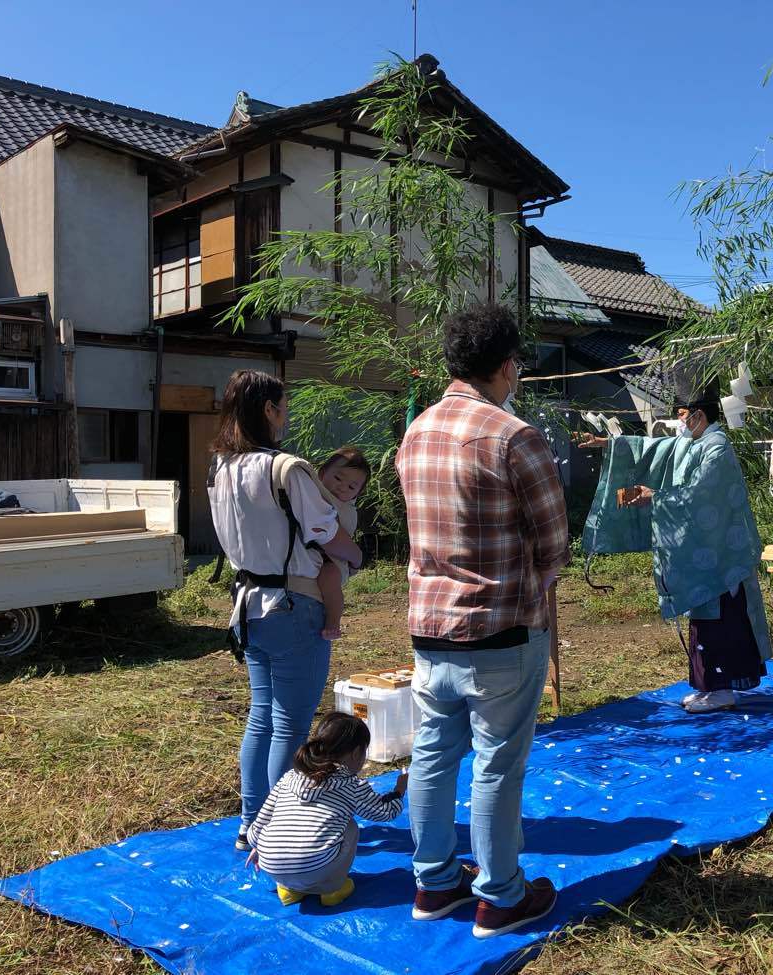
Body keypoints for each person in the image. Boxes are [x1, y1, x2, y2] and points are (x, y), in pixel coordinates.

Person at [397, 301, 569, 939]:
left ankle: (435, 883)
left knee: (434, 757)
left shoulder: (414, 432)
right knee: (497, 764)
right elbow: (554, 544)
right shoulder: (513, 435)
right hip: (500, 630)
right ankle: (499, 897)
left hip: (429, 630)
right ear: (505, 366)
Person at [207, 370, 363, 852]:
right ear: (270, 411)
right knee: (290, 727)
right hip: (296, 605)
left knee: (261, 718)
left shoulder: (220, 467)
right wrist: (355, 555)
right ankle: (276, 827)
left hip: (250, 607)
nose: (287, 414)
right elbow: (324, 530)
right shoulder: (287, 468)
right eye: (284, 405)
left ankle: (250, 822)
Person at [579, 380, 771, 713]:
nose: (679, 422)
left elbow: (702, 492)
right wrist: (609, 445)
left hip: (721, 550)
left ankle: (722, 688)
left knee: (721, 619)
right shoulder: (690, 442)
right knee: (702, 617)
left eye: (682, 415)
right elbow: (651, 448)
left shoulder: (717, 446)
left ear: (697, 415)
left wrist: (659, 497)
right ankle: (706, 685)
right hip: (697, 549)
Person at [245, 711, 407, 907]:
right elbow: (386, 812)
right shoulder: (351, 785)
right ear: (356, 753)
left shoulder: (290, 777)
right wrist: (399, 790)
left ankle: (290, 890)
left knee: (286, 822)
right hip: (314, 868)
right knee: (350, 827)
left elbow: (262, 819)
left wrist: (260, 845)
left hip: (271, 866)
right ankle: (332, 889)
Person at [314, 447, 371, 640]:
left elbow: (330, 532)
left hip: (333, 561)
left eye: (351, 487)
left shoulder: (344, 507)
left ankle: (333, 621)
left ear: (357, 493)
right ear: (321, 473)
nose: (342, 487)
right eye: (338, 479)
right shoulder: (313, 491)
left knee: (329, 579)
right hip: (319, 555)